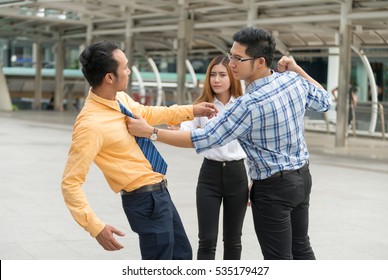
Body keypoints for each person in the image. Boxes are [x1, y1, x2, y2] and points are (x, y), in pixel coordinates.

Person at [126, 26, 333, 260]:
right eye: (231, 55)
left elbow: (204, 138)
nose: (231, 63)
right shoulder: (292, 81)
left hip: (272, 189)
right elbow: (326, 101)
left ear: (260, 62)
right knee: (302, 247)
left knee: (279, 259)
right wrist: (296, 69)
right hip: (302, 179)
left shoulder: (246, 105)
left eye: (238, 58)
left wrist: (151, 132)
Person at [61, 41, 217, 260]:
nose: (128, 70)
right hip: (144, 200)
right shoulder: (90, 124)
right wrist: (95, 226)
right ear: (109, 77)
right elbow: (70, 183)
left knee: (182, 256)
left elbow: (149, 113)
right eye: (125, 66)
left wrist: (191, 110)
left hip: (160, 192)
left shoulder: (120, 99)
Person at [171, 55, 248, 260]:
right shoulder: (201, 107)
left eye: (222, 74)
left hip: (237, 175)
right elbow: (186, 129)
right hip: (209, 176)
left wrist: (254, 181)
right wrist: (177, 128)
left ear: (232, 77)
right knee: (206, 240)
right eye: (213, 74)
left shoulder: (243, 105)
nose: (216, 79)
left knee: (233, 240)